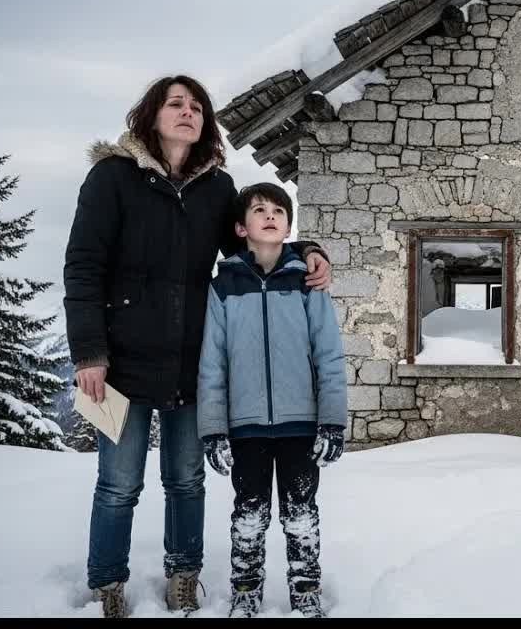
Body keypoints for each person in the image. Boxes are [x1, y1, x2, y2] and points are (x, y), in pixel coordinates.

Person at [63, 75, 333, 618]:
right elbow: (83, 265)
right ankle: (108, 584)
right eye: (175, 104)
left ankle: (184, 576)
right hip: (116, 360)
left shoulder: (215, 187)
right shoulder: (112, 177)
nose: (188, 112)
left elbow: (254, 235)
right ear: (151, 115)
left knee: (186, 480)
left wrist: (308, 250)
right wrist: (88, 354)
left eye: (197, 107)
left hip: (190, 358)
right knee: (118, 483)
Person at [198, 182, 348, 618]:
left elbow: (329, 356)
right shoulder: (223, 287)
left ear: (287, 225)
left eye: (278, 210)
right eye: (259, 209)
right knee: (249, 513)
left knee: (300, 511)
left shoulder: (307, 282)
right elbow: (213, 363)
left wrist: (332, 421)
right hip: (245, 427)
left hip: (300, 423)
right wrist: (213, 429)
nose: (269, 215)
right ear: (241, 228)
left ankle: (305, 590)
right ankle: (245, 590)